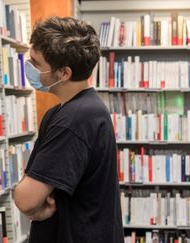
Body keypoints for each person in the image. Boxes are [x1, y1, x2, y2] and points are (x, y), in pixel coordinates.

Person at [13, 17, 124, 243]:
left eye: (36, 63)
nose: (29, 67)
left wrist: (32, 207)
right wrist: (34, 204)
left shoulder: (75, 120)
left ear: (64, 73)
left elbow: (26, 198)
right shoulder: (69, 112)